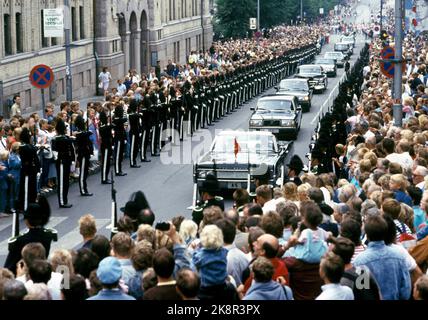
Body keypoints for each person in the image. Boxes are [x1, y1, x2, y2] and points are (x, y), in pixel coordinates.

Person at [353, 215, 411, 300]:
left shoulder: (360, 261)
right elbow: (406, 288)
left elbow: (362, 291)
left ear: (367, 234)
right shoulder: (399, 255)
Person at [4, 196, 56, 273]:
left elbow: (9, 266)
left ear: (27, 221)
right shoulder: (48, 235)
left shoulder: (20, 240)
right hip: (42, 271)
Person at [51, 120, 74, 208]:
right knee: (61, 182)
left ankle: (65, 199)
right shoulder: (57, 139)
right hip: (61, 161)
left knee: (66, 181)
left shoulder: (64, 138)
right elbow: (54, 151)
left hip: (66, 160)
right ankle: (62, 201)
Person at [18, 128, 40, 212]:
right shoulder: (23, 146)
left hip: (32, 169)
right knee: (26, 190)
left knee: (32, 190)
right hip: (26, 171)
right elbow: (31, 150)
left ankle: (31, 206)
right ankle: (25, 208)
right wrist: (34, 147)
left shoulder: (28, 146)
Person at [74, 115, 94, 197]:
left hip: (86, 153)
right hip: (82, 154)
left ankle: (85, 189)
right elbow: (83, 134)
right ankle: (83, 190)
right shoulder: (79, 132)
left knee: (85, 172)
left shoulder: (83, 131)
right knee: (82, 173)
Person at [98, 111, 113, 184]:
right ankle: (104, 178)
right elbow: (106, 128)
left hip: (108, 144)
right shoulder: (102, 126)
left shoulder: (106, 125)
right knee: (105, 162)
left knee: (107, 162)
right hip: (105, 145)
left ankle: (106, 177)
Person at [112, 105, 127, 177]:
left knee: (120, 155)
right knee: (118, 155)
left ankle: (120, 169)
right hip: (118, 138)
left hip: (121, 137)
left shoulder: (118, 118)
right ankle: (117, 170)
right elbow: (124, 119)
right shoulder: (116, 119)